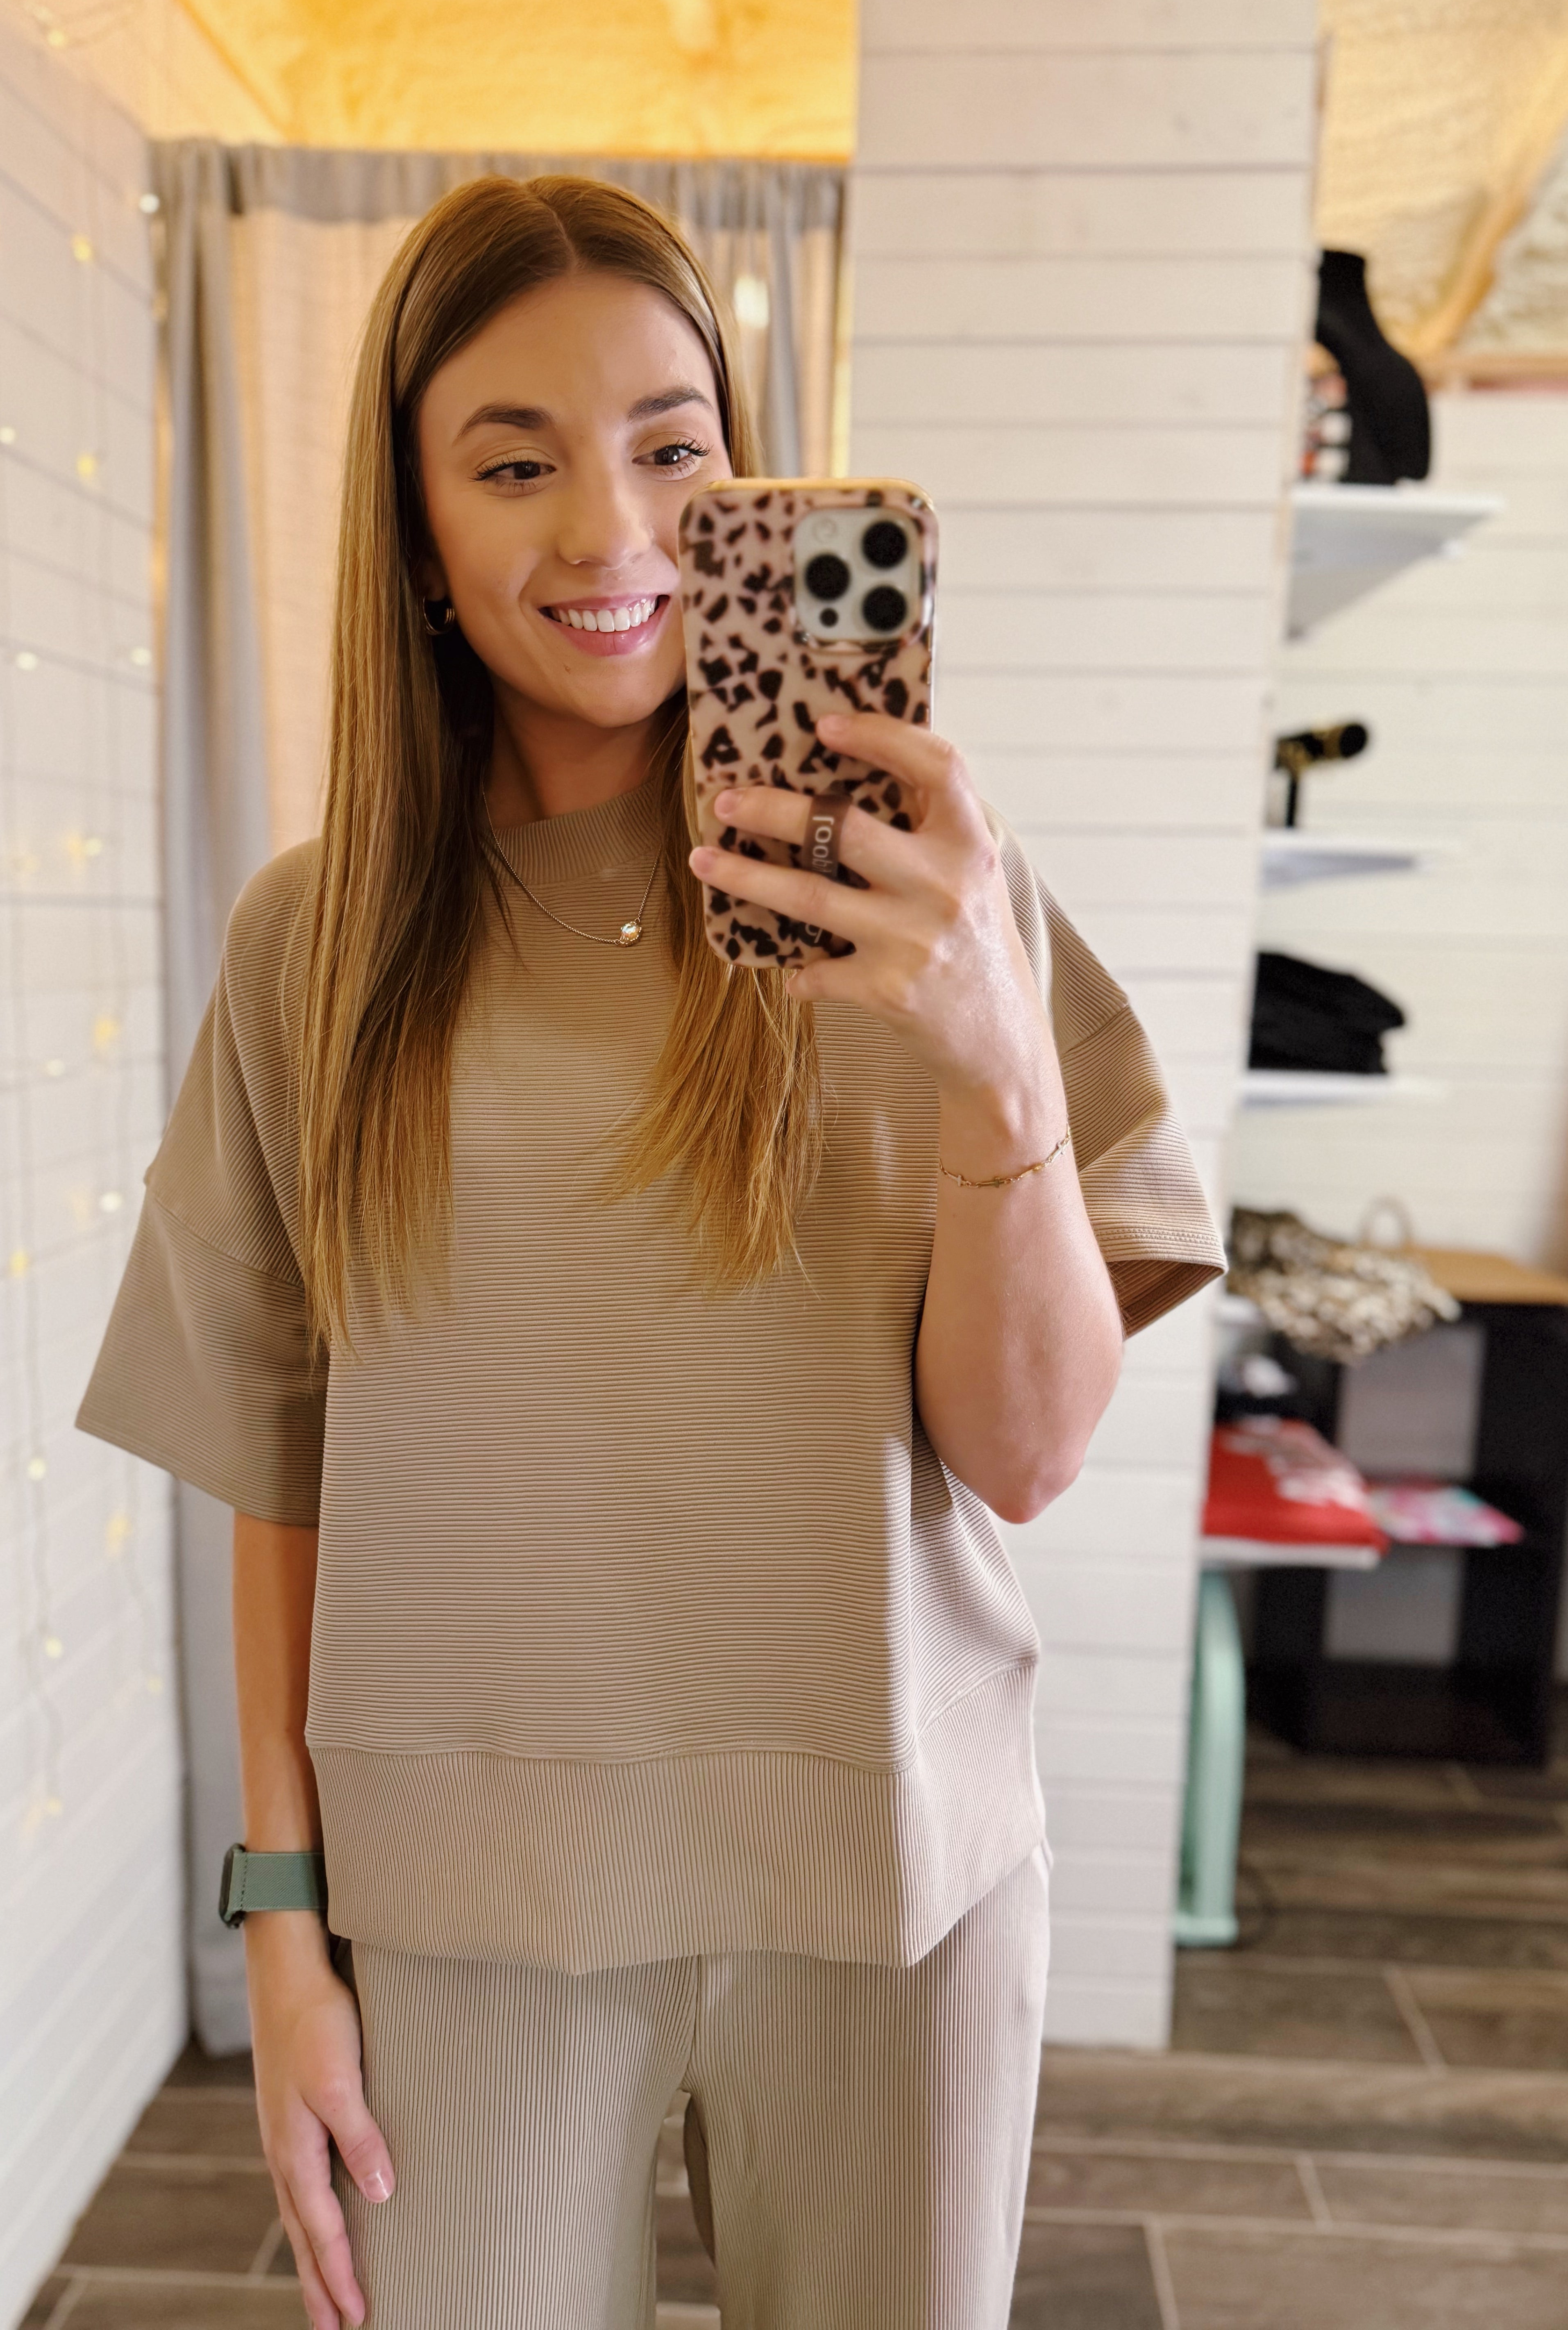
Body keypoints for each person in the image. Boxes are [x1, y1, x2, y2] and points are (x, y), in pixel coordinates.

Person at [76, 175, 1223, 2330]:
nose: (613, 533)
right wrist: (282, 1929)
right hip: (465, 1912)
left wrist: (1001, 1069)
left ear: (745, 476)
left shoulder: (933, 892)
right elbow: (281, 1465)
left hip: (888, 1884)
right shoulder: (312, 949)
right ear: (415, 533)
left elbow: (1028, 1452)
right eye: (513, 463)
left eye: (670, 447)